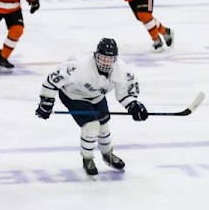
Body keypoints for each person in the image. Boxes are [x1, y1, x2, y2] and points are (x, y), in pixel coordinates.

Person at [35, 38, 149, 176]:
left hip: (96, 96)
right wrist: (46, 100)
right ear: (96, 56)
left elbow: (125, 91)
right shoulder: (80, 66)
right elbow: (52, 80)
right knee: (91, 127)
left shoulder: (122, 70)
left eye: (110, 59)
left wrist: (133, 105)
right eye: (102, 58)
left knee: (104, 125)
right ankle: (87, 158)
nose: (106, 63)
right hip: (73, 95)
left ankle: (108, 155)